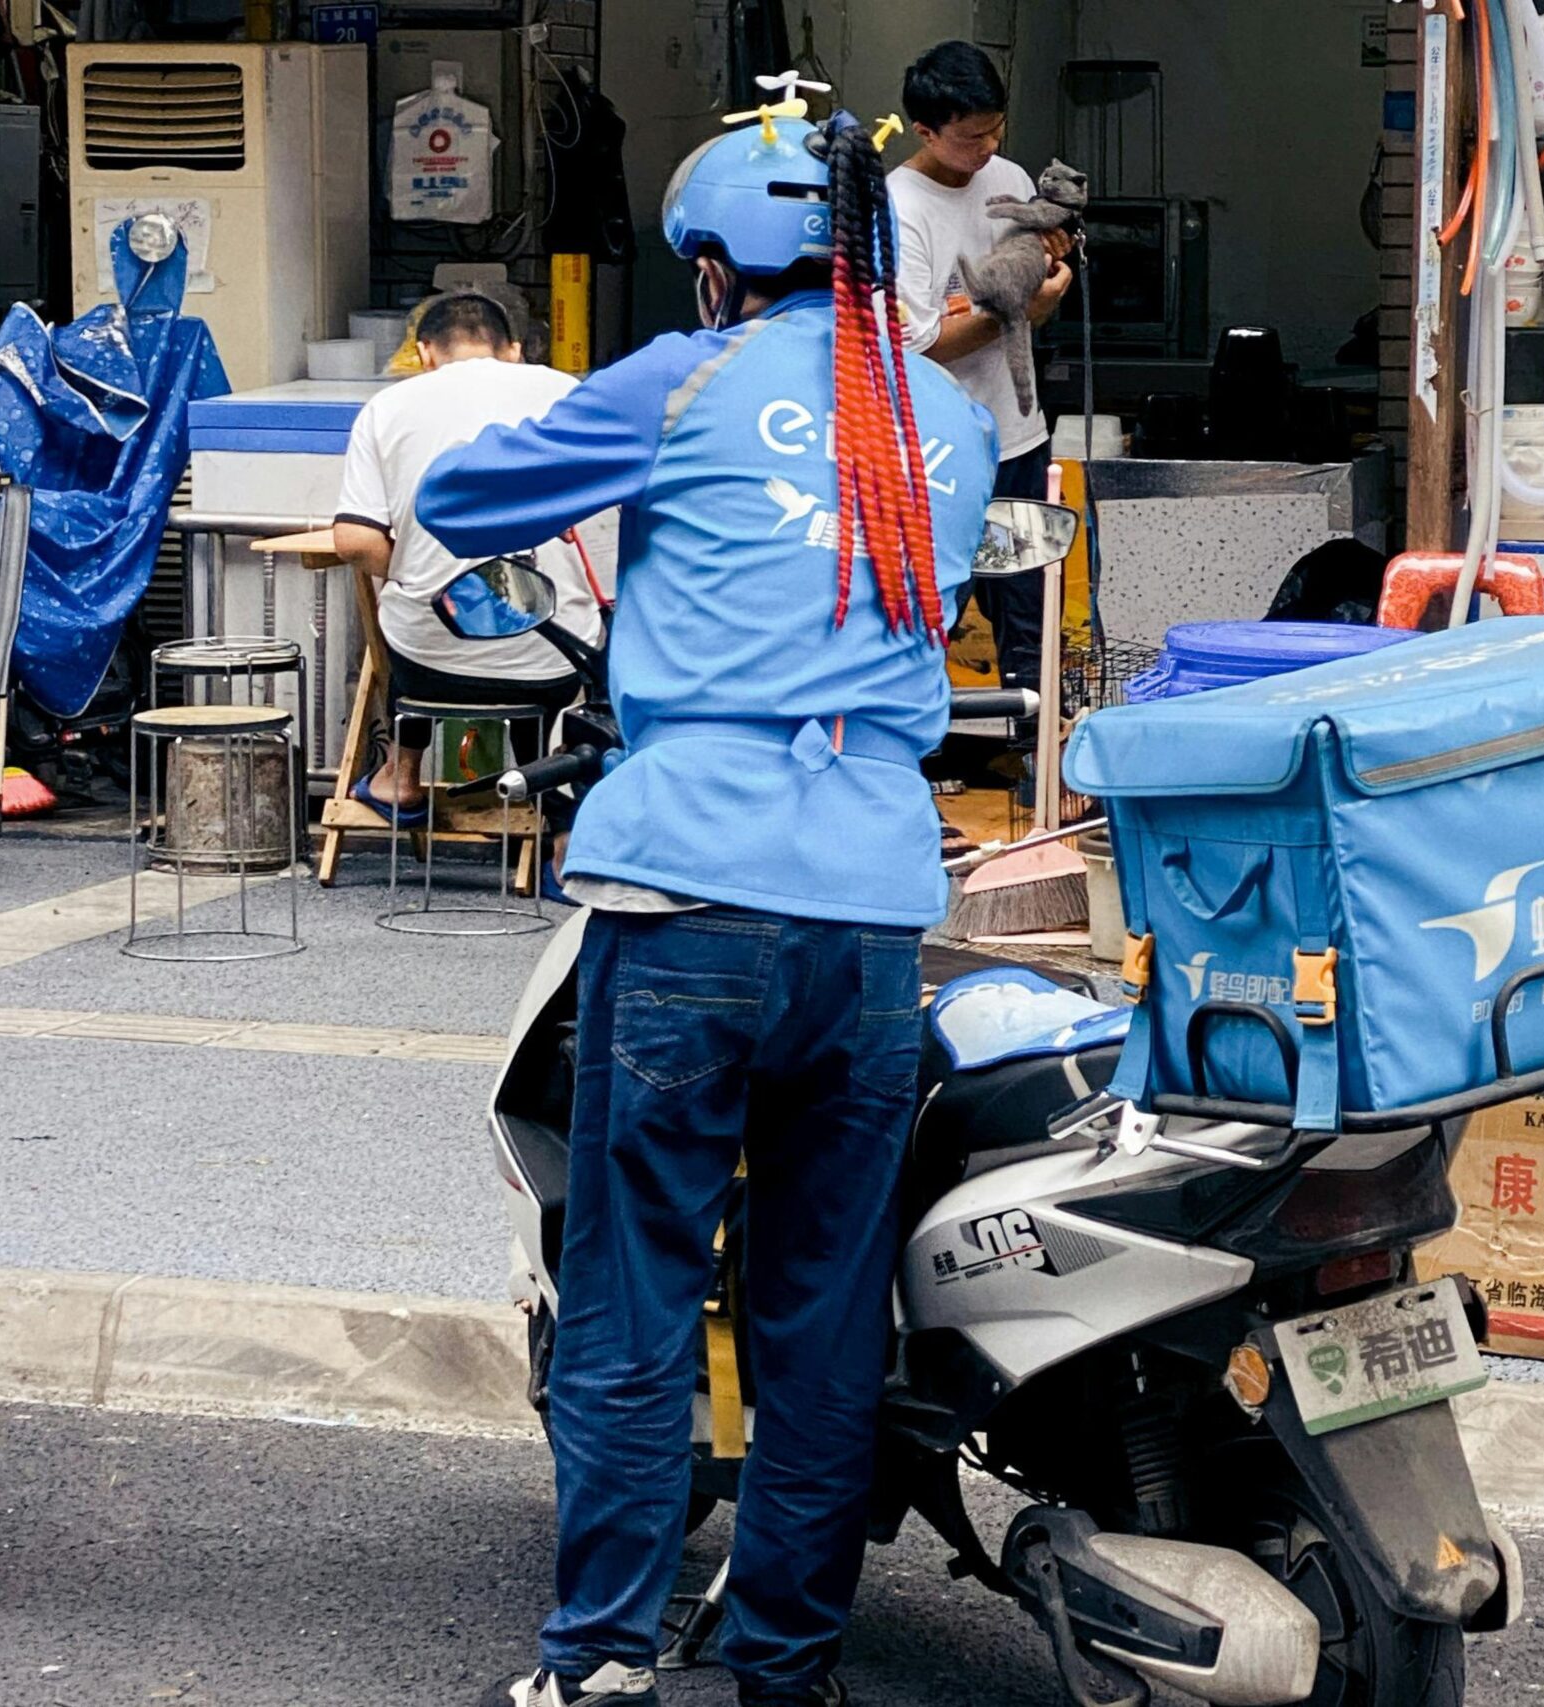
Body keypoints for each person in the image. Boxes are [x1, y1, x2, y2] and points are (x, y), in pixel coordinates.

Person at [415, 112, 996, 1707]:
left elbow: (465, 500)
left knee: (637, 1294)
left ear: (717, 267)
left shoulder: (683, 379)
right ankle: (785, 1667)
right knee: (822, 1314)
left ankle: (596, 1657)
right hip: (873, 912)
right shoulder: (942, 417)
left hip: (687, 899)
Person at [331, 291, 608, 827]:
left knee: (405, 613)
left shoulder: (387, 407)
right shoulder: (567, 392)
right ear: (514, 351)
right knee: (569, 638)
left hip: (434, 663)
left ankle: (401, 779)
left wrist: (415, 567)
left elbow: (355, 541)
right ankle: (554, 808)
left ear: (426, 351)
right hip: (552, 659)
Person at [888, 39, 1073, 695]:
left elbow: (1043, 293)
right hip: (938, 450)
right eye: (971, 138)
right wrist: (1018, 309)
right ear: (925, 131)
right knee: (932, 610)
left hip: (1018, 434)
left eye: (996, 129)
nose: (987, 149)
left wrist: (1052, 278)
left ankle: (1033, 759)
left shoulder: (1011, 181)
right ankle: (913, 759)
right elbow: (916, 342)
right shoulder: (899, 209)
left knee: (1029, 609)